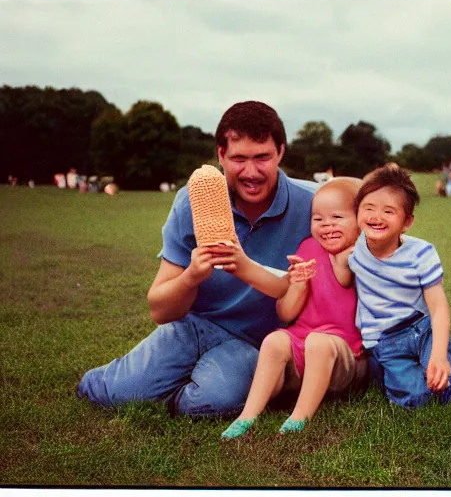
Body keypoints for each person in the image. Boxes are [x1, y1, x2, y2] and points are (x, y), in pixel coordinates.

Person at [77, 100, 320, 417]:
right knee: (115, 394)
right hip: (190, 328)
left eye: (262, 157)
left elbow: (367, 208)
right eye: (238, 159)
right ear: (221, 155)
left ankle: (177, 392)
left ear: (281, 152)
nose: (251, 172)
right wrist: (192, 275)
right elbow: (160, 309)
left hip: (252, 344)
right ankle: (123, 381)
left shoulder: (313, 205)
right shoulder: (192, 202)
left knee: (216, 400)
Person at [220, 177, 368, 439]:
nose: (327, 225)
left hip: (346, 355)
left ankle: (299, 417)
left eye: (337, 217)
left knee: (319, 343)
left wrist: (347, 255)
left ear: (360, 221)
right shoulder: (307, 248)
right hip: (304, 343)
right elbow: (286, 314)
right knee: (275, 340)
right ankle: (248, 415)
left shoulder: (362, 255)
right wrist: (297, 285)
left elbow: (345, 275)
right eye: (318, 219)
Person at [332, 162, 451, 409]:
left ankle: (444, 362)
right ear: (358, 212)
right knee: (415, 399)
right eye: (368, 208)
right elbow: (341, 272)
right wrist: (335, 261)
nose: (376, 217)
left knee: (444, 383)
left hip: (423, 329)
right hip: (386, 340)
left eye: (389, 211)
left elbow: (438, 309)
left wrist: (437, 356)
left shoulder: (422, 253)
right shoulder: (355, 250)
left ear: (407, 222)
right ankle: (392, 375)